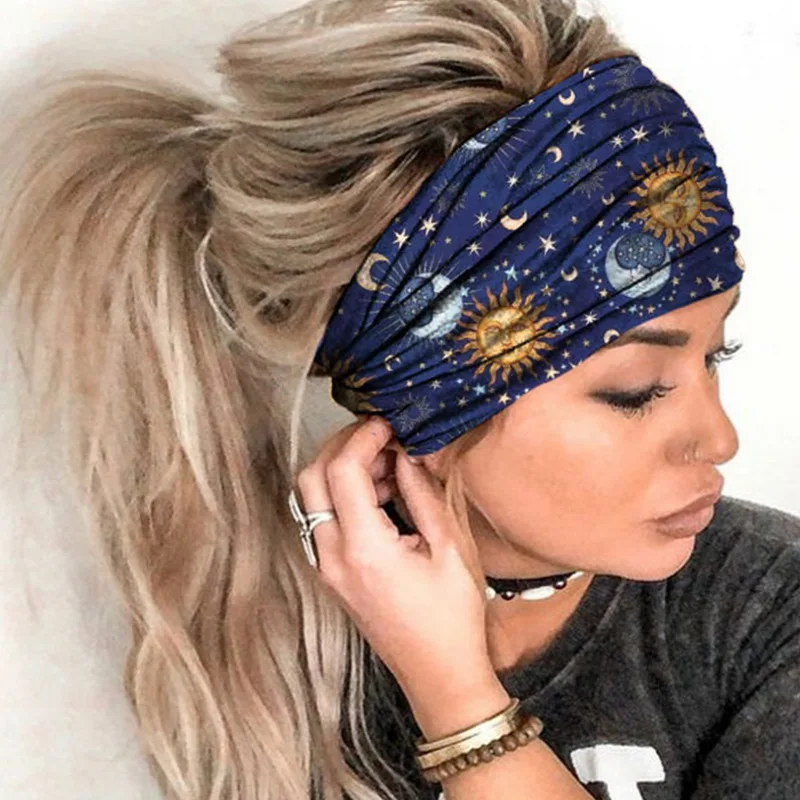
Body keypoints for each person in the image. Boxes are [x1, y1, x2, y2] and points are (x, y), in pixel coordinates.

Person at [0, 0, 797, 799]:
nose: (720, 437)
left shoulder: (767, 614)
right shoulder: (270, 642)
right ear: (426, 410)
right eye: (634, 391)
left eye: (716, 354)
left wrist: (459, 701)